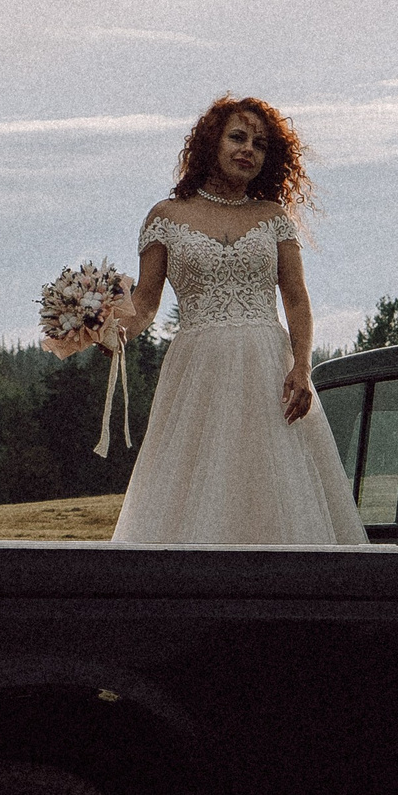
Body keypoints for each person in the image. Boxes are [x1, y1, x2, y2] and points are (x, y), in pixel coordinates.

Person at [108, 96, 367, 545]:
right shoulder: (166, 217)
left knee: (276, 483)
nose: (248, 149)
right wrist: (109, 331)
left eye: (259, 144)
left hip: (269, 369)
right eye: (237, 138)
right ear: (212, 142)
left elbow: (296, 299)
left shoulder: (272, 218)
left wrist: (302, 367)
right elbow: (145, 304)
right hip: (198, 370)